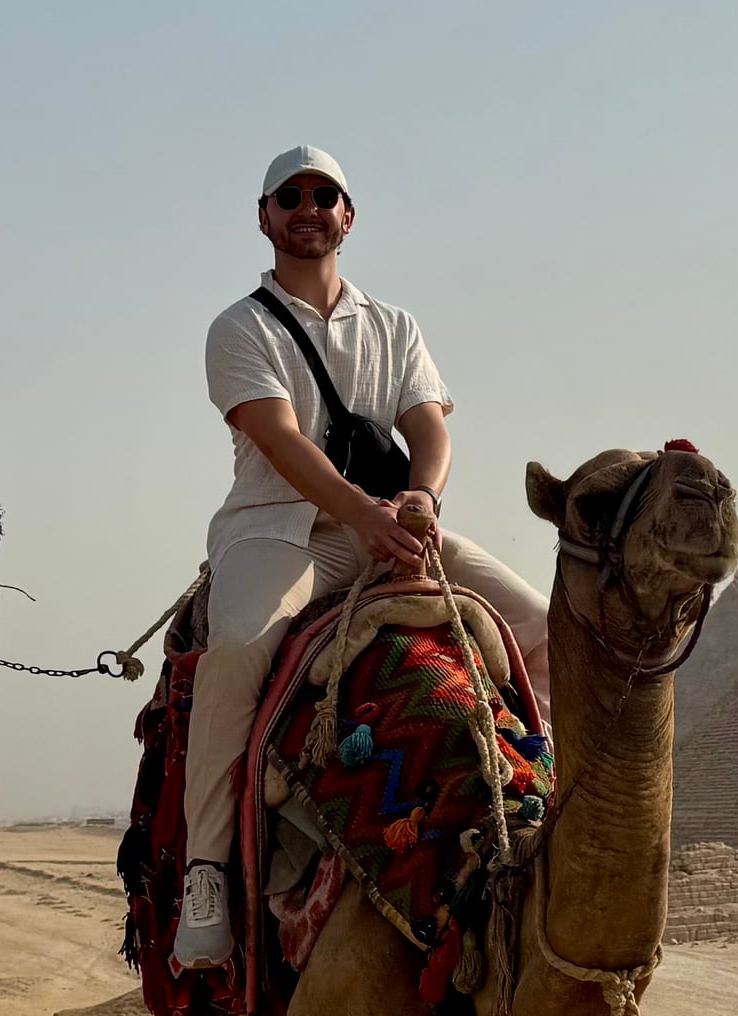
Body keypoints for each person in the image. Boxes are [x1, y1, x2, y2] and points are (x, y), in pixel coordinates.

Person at [170, 146, 549, 971]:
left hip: (396, 523)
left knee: (541, 627)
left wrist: (420, 501)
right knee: (237, 649)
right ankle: (206, 869)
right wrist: (364, 520)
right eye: (290, 196)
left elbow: (431, 428)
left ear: (349, 215)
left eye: (325, 195)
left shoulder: (395, 326)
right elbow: (279, 437)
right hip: (280, 527)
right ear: (264, 216)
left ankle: (550, 809)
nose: (308, 208)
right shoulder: (239, 327)